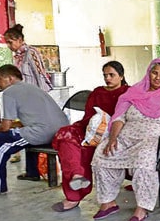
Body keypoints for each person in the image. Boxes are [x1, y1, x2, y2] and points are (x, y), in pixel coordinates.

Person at [90, 58, 160, 221]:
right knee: (102, 154)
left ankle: (142, 208)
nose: (158, 78)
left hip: (158, 139)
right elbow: (119, 117)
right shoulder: (134, 91)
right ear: (148, 72)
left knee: (144, 161)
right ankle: (108, 202)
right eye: (154, 73)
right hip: (127, 136)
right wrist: (112, 138)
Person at [50, 61, 131, 212]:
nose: (108, 78)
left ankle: (75, 189)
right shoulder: (97, 92)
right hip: (93, 129)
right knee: (66, 136)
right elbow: (89, 117)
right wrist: (91, 131)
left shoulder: (128, 92)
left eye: (112, 75)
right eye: (105, 75)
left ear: (121, 76)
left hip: (117, 132)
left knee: (86, 149)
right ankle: (76, 180)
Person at [0, 64, 69, 195]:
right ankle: (32, 172)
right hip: (61, 132)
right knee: (24, 133)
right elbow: (31, 119)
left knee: (1, 139)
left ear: (10, 78)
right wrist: (14, 126)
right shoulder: (33, 88)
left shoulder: (9, 92)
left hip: (42, 133)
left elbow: (5, 127)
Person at [4, 24, 54, 163]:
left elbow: (41, 75)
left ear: (19, 40)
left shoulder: (31, 53)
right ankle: (31, 169)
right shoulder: (17, 57)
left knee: (34, 131)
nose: (9, 45)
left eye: (10, 42)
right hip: (24, 100)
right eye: (7, 42)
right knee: (25, 129)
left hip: (35, 100)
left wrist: (43, 99)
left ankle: (36, 168)